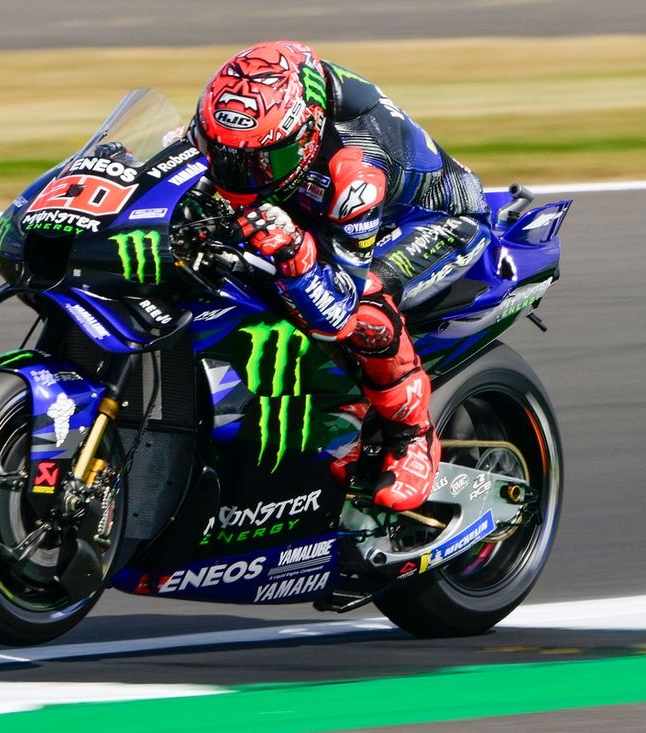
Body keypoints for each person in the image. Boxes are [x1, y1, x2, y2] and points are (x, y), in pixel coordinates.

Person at [189, 41, 491, 512]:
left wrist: (297, 253)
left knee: (367, 308)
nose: (241, 178)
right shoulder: (253, 114)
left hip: (431, 222)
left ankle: (411, 436)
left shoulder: (356, 169)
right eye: (222, 154)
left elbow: (339, 309)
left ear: (307, 134)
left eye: (264, 163)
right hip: (323, 209)